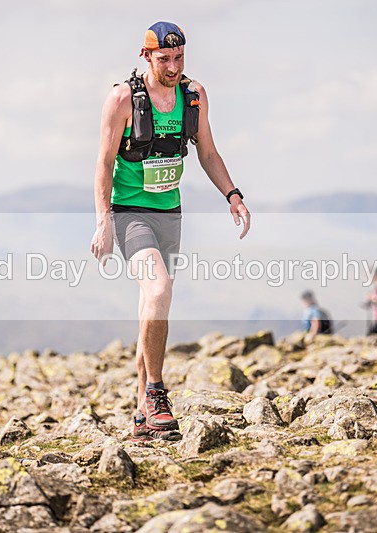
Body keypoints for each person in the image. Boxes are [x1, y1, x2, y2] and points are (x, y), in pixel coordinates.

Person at [90, 22, 251, 441]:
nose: (174, 67)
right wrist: (103, 220)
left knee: (153, 303)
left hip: (170, 213)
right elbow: (104, 164)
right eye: (165, 59)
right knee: (159, 289)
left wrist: (232, 194)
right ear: (146, 57)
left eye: (179, 58)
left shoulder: (193, 96)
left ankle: (142, 412)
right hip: (130, 212)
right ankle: (158, 393)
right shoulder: (122, 98)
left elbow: (208, 152)